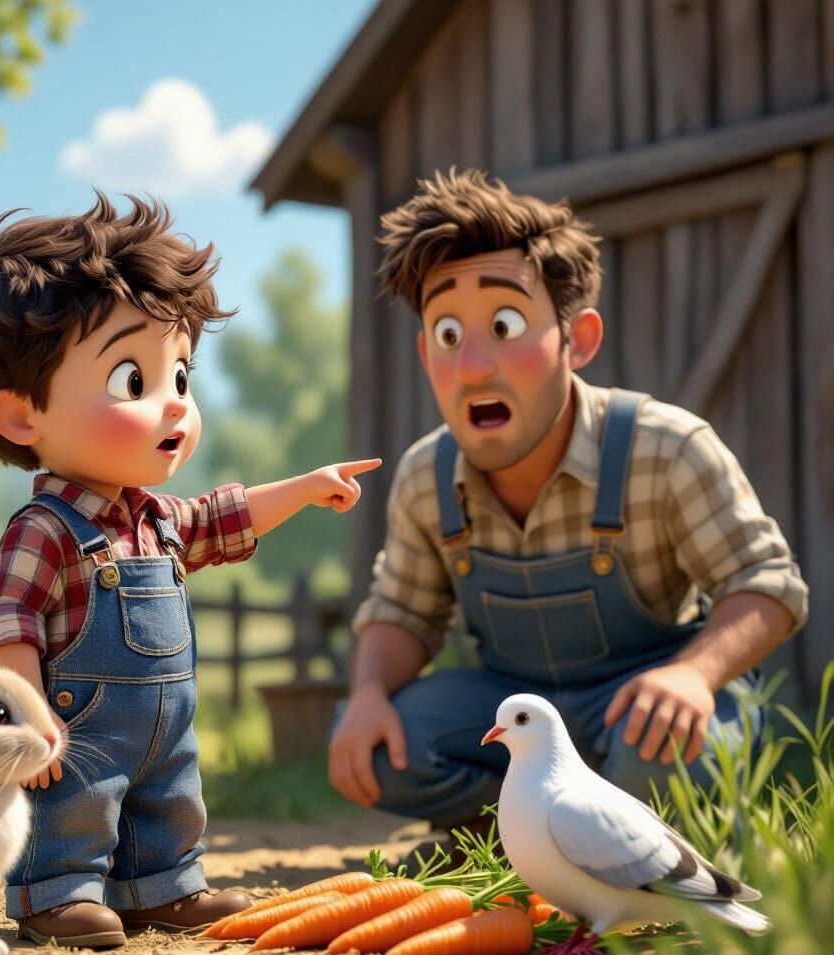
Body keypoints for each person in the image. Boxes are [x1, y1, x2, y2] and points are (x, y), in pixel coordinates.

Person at [0, 193, 379, 948]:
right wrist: (28, 715)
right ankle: (57, 892)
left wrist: (302, 487)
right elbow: (11, 624)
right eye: (134, 381)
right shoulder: (44, 528)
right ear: (24, 416)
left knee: (170, 798)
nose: (175, 408)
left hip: (168, 728)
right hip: (78, 727)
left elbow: (223, 518)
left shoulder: (157, 518)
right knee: (77, 803)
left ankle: (163, 885)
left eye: (182, 379)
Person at [327, 168, 808, 840]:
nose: (473, 366)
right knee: (385, 747)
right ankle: (521, 839)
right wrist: (368, 694)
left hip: (644, 703)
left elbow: (768, 584)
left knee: (660, 758)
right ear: (425, 355)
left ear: (577, 340)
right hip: (513, 705)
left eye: (504, 325)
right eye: (448, 335)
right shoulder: (424, 478)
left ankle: (646, 839)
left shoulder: (666, 448)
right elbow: (401, 613)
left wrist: (694, 675)